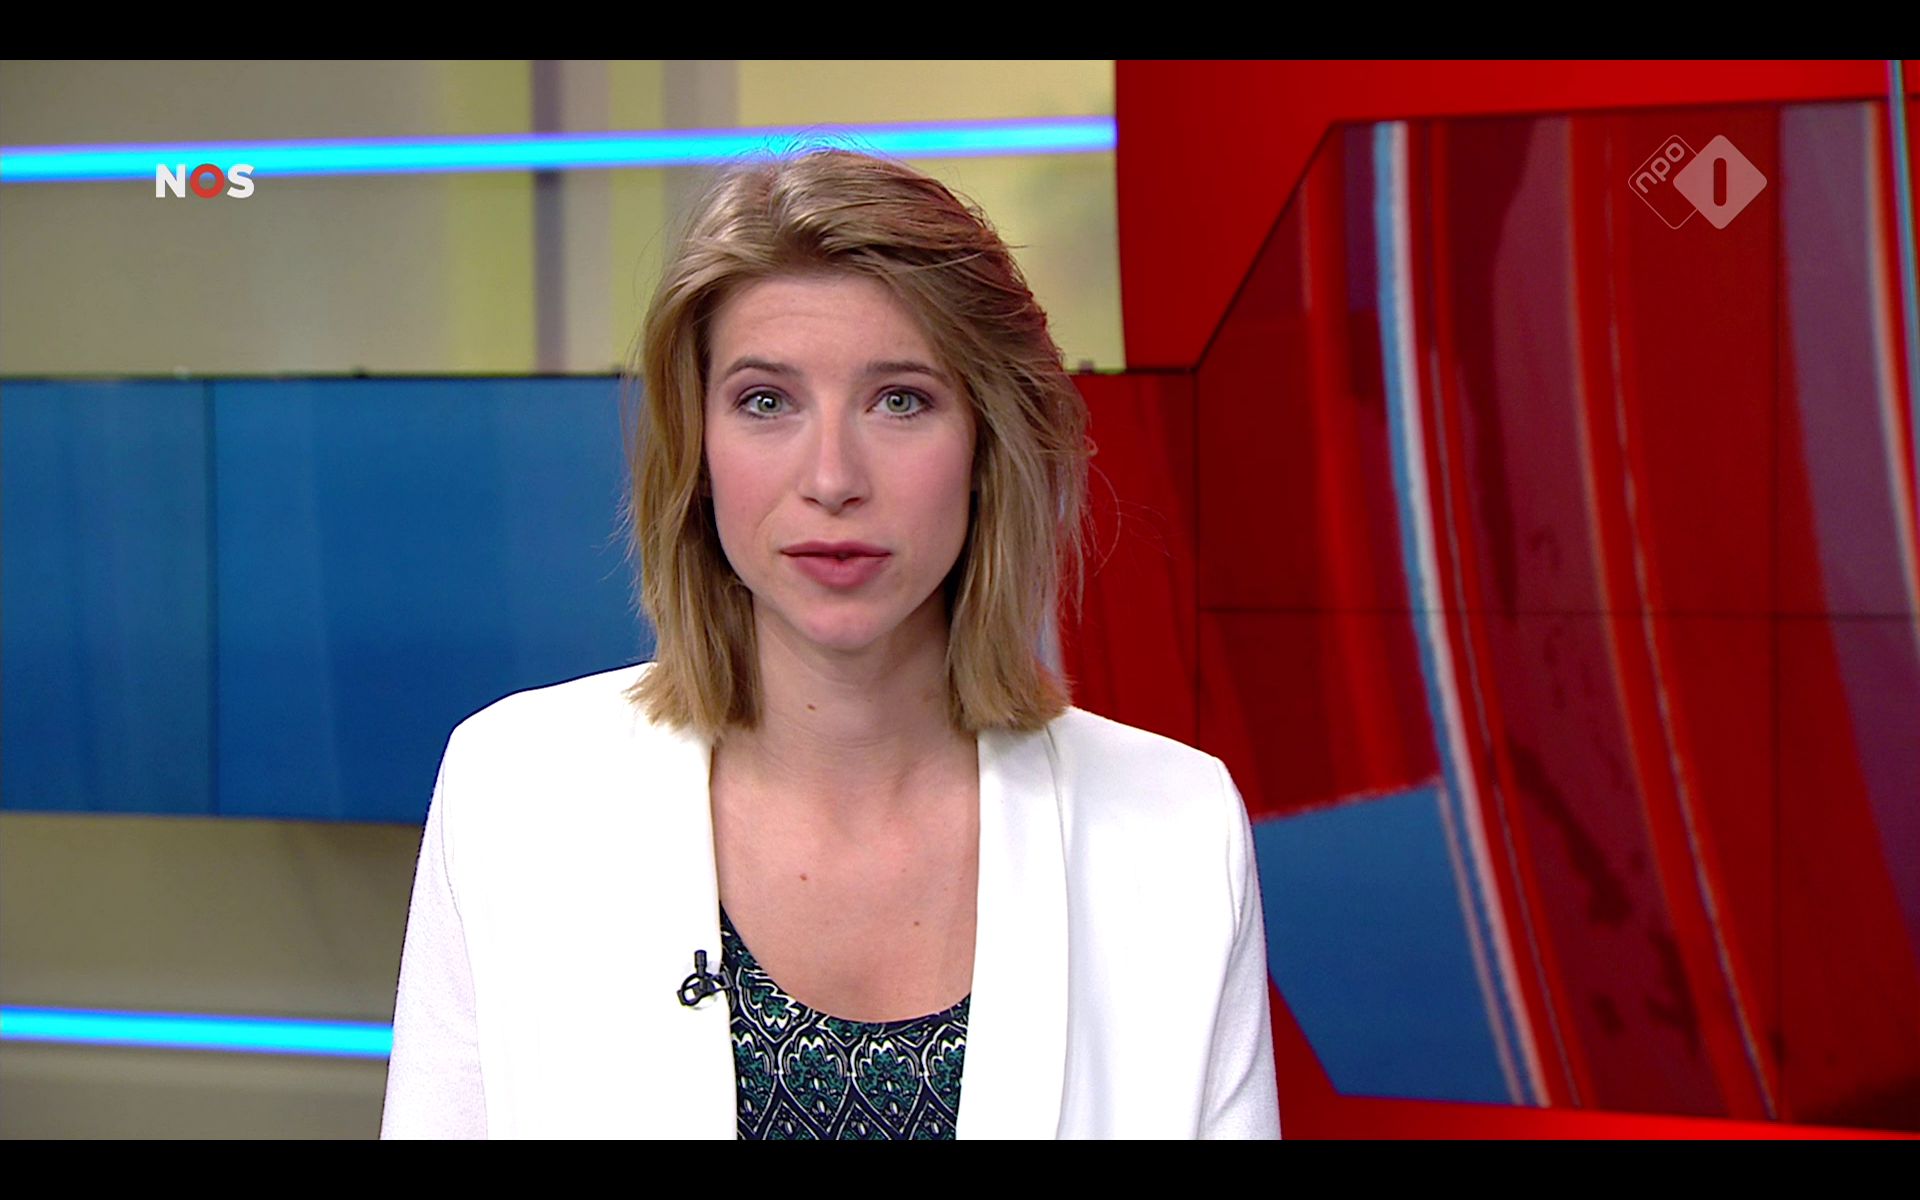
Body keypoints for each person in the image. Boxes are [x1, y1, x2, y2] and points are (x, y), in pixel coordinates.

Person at [380, 145, 1280, 1139]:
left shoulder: (1174, 828)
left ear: (987, 447)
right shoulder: (514, 791)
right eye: (766, 401)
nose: (833, 478)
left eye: (901, 400)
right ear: (699, 452)